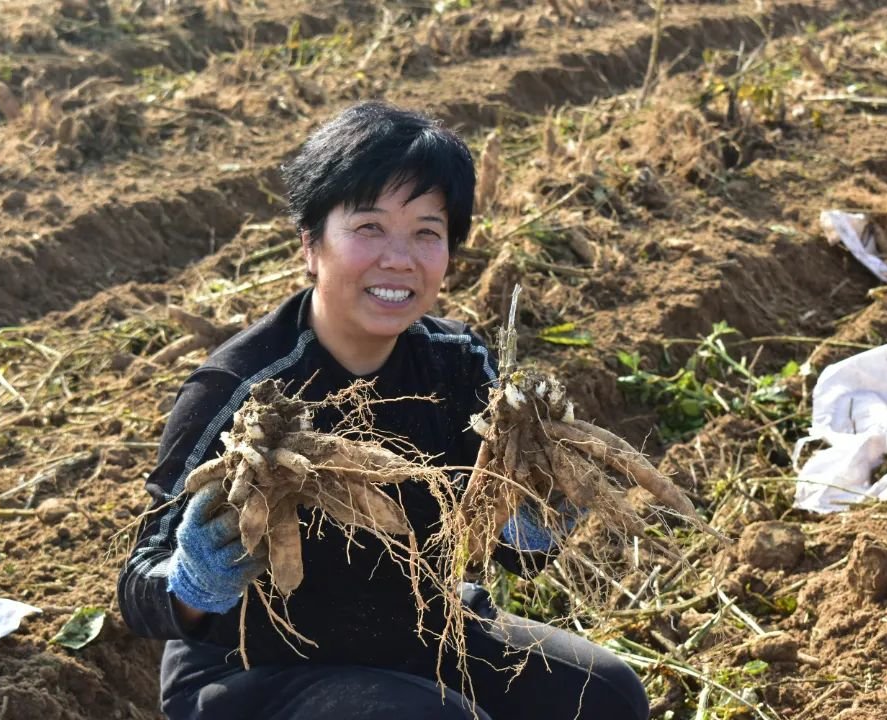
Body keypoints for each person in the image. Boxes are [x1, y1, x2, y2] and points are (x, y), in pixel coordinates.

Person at [117, 102, 649, 720]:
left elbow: (506, 554)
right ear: (311, 245)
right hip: (256, 668)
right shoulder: (240, 389)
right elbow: (137, 588)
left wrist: (533, 516)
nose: (399, 258)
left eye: (427, 232)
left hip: (419, 627)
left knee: (607, 696)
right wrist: (197, 578)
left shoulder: (458, 362)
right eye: (368, 227)